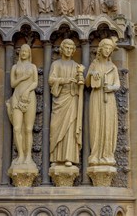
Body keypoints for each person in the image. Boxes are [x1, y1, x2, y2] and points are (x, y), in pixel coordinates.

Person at [49, 39, 84, 167]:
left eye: (71, 48)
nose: (69, 50)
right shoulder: (56, 64)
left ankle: (69, 156)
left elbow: (80, 82)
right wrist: (64, 80)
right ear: (62, 49)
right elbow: (51, 79)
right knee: (55, 127)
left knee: (70, 127)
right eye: (66, 48)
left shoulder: (76, 65)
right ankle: (55, 157)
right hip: (60, 99)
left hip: (71, 98)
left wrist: (80, 78)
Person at [85, 38, 120, 166]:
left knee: (108, 125)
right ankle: (95, 154)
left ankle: (107, 154)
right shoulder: (94, 64)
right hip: (96, 97)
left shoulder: (113, 67)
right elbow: (87, 84)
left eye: (110, 49)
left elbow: (117, 84)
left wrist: (110, 88)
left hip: (108, 98)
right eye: (105, 48)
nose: (108, 50)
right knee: (96, 124)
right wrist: (92, 74)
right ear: (100, 49)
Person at [6, 44, 38, 165]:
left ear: (29, 53)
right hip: (16, 97)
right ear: (19, 53)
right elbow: (13, 84)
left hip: (29, 98)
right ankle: (20, 155)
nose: (24, 52)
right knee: (17, 128)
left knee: (28, 129)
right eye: (22, 51)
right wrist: (23, 77)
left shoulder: (33, 66)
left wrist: (27, 90)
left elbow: (35, 82)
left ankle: (28, 156)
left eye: (26, 51)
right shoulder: (15, 67)